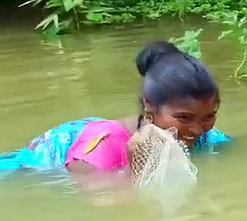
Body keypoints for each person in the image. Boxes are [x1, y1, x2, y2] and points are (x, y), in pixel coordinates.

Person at [0, 41, 231, 180]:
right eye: (184, 117)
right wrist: (138, 164)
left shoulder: (199, 136)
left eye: (209, 116)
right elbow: (109, 204)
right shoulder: (105, 145)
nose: (198, 128)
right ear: (149, 104)